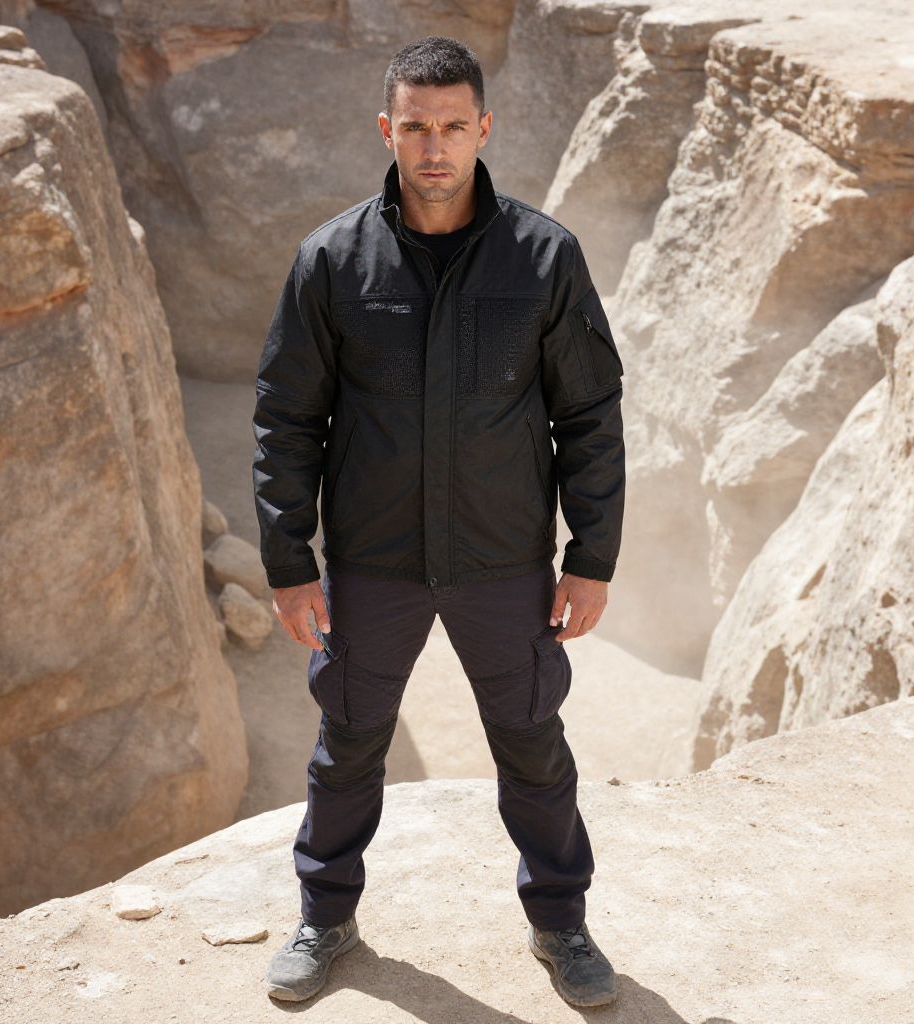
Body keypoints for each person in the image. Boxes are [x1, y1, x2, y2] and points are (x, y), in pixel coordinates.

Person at [252, 35, 625, 1007]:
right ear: (387, 129)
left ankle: (561, 924)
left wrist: (590, 558)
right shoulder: (332, 259)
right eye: (414, 126)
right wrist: (290, 563)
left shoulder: (542, 255)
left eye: (453, 126)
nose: (433, 147)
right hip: (374, 561)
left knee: (531, 743)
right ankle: (324, 916)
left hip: (503, 560)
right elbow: (287, 418)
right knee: (348, 745)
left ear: (483, 129)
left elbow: (587, 414)